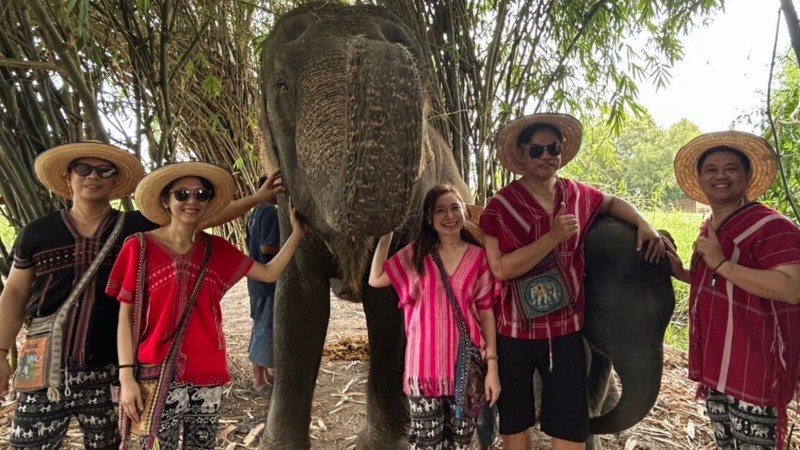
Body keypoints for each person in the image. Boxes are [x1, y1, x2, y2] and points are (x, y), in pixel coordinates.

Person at [0, 142, 281, 450]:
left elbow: (197, 217)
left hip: (108, 368)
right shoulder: (37, 233)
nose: (93, 177)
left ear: (115, 181)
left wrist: (258, 198)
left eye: (104, 171)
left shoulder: (135, 229)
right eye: (83, 169)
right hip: (43, 368)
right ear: (68, 177)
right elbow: (14, 293)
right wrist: (1, 353)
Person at [478, 113, 664, 450]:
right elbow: (501, 269)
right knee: (516, 423)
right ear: (521, 154)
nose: (547, 156)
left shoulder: (576, 194)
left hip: (565, 331)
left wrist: (643, 222)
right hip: (515, 333)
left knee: (571, 426)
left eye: (554, 148)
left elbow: (610, 202)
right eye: (537, 150)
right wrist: (551, 238)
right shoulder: (500, 207)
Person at [106, 161, 304, 450]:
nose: (192, 201)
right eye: (182, 194)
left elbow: (270, 272)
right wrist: (126, 377)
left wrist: (297, 233)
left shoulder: (217, 249)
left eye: (201, 194)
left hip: (208, 372)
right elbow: (125, 315)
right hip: (156, 372)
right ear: (166, 200)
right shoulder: (140, 247)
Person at [667, 131, 800, 450]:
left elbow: (792, 288)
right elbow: (721, 284)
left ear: (747, 176)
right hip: (718, 362)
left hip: (754, 366)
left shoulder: (772, 227)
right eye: (711, 169)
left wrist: (721, 263)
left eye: (730, 168)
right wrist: (683, 273)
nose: (720, 176)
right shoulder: (711, 227)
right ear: (700, 179)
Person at [369, 183, 501, 450]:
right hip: (423, 371)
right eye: (440, 211)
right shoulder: (417, 255)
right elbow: (375, 279)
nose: (449, 216)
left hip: (465, 372)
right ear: (429, 219)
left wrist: (493, 369)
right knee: (427, 446)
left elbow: (486, 313)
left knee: (460, 445)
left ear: (464, 211)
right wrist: (387, 235)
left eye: (455, 208)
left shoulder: (479, 258)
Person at [246, 175, 280, 394]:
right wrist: (290, 250)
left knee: (260, 325)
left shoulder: (254, 212)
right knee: (264, 327)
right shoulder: (270, 212)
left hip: (255, 277)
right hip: (266, 278)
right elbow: (267, 247)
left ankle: (263, 374)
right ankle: (259, 380)